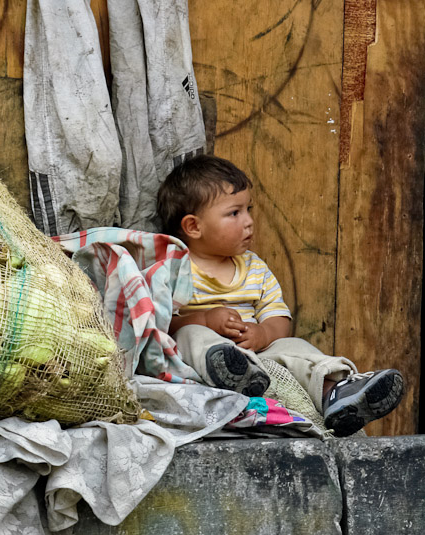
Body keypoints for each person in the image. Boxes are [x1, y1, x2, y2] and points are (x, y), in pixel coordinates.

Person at [156, 154, 404, 436]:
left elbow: (279, 318)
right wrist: (205, 319)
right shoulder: (173, 269)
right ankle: (228, 372)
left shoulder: (255, 268)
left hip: (259, 352)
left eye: (249, 209)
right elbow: (162, 325)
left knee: (295, 346)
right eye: (234, 213)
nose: (249, 221)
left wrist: (262, 334)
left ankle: (336, 392)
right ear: (194, 226)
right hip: (200, 356)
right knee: (191, 336)